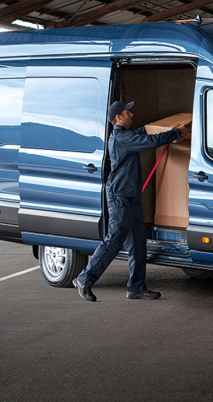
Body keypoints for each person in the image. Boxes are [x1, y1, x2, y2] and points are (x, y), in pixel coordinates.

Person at [74, 100, 191, 302]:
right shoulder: (121, 139)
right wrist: (176, 133)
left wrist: (162, 126)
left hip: (131, 198)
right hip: (121, 199)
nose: (132, 115)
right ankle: (84, 279)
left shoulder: (126, 136)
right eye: (128, 112)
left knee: (138, 244)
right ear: (118, 117)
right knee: (113, 242)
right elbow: (150, 142)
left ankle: (136, 287)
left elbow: (142, 133)